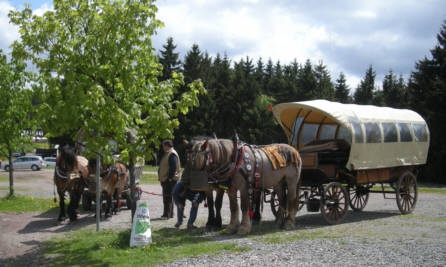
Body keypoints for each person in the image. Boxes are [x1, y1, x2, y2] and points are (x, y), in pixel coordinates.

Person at [158, 139, 181, 219]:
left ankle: (167, 215)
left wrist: (170, 178)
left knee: (167, 197)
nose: (163, 147)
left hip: (169, 180)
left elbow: (173, 167)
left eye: (163, 146)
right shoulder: (168, 153)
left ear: (167, 146)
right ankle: (168, 214)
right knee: (167, 197)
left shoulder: (172, 154)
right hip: (166, 180)